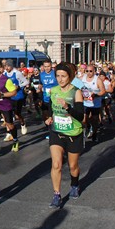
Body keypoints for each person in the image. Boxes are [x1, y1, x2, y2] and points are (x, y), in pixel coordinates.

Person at [45, 62, 84, 208]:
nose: (60, 79)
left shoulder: (76, 92)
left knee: (73, 166)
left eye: (63, 76)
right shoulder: (54, 90)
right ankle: (57, 194)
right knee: (56, 164)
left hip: (74, 133)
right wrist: (49, 117)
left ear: (70, 76)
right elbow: (51, 108)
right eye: (58, 76)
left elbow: (80, 116)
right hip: (57, 131)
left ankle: (75, 184)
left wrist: (68, 107)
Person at [0, 60, 19, 155]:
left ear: (1, 69)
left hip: (5, 105)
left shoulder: (6, 80)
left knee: (10, 125)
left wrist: (2, 95)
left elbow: (14, 92)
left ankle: (15, 140)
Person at [81, 64, 106, 142]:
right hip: (85, 103)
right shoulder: (82, 78)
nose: (88, 73)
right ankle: (88, 127)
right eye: (87, 71)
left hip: (95, 103)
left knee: (94, 120)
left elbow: (103, 91)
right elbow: (75, 85)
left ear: (94, 72)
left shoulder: (98, 80)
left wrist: (95, 94)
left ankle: (94, 133)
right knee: (84, 120)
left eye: (91, 71)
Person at [4, 59, 28, 137]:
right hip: (9, 97)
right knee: (8, 114)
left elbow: (26, 82)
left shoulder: (17, 73)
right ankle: (9, 133)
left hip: (18, 96)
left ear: (11, 66)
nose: (6, 68)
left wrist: (19, 86)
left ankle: (22, 123)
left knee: (17, 115)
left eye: (8, 66)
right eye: (5, 66)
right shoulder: (4, 74)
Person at [39, 59, 59, 140]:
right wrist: (40, 87)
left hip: (54, 98)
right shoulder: (41, 74)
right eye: (45, 66)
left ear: (51, 66)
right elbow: (41, 84)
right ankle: (50, 129)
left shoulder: (55, 73)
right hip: (45, 97)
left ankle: (53, 132)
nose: (47, 68)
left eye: (48, 66)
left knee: (52, 116)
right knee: (45, 116)